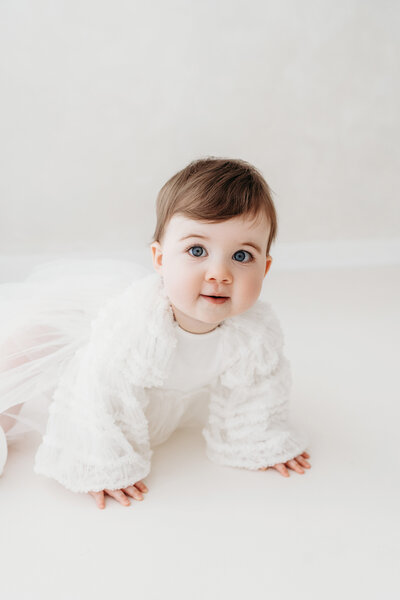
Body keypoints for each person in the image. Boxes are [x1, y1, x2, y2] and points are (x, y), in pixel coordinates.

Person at [0, 157, 311, 509]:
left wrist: (260, 442)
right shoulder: (136, 327)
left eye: (242, 256)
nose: (219, 273)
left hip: (159, 385)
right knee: (32, 342)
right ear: (160, 259)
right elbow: (99, 390)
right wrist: (104, 464)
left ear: (266, 267)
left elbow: (260, 389)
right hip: (85, 357)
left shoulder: (254, 332)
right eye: (197, 251)